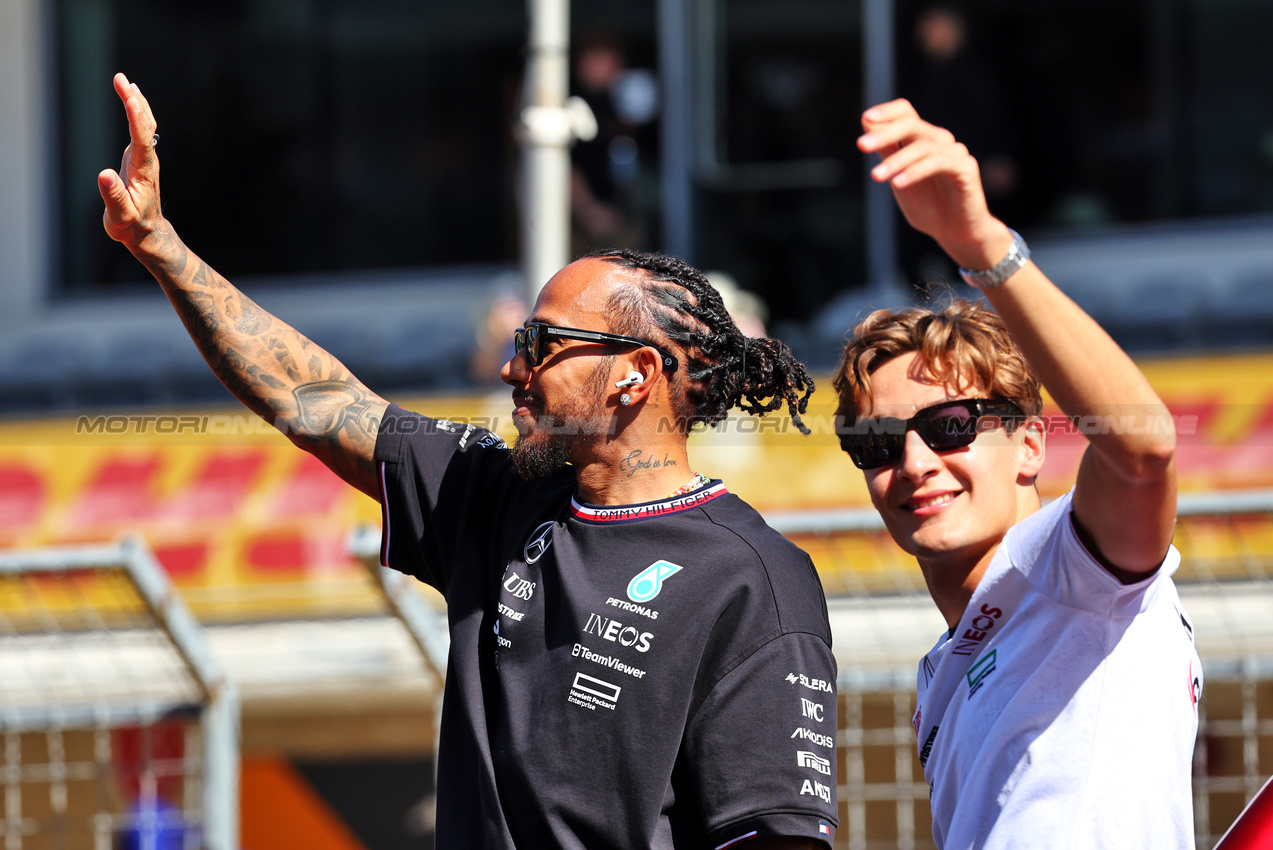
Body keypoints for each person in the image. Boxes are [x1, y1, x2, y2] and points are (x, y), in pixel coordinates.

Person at [98, 72, 840, 849]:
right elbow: (308, 397)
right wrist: (160, 247)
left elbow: (771, 836)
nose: (511, 369)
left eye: (541, 345)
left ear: (636, 374)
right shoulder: (496, 495)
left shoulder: (752, 577)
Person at [833, 99, 1201, 848]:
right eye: (875, 442)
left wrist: (982, 246)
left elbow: (1142, 449)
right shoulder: (940, 667)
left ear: (1030, 446)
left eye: (949, 427)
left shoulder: (1067, 568)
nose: (911, 463)